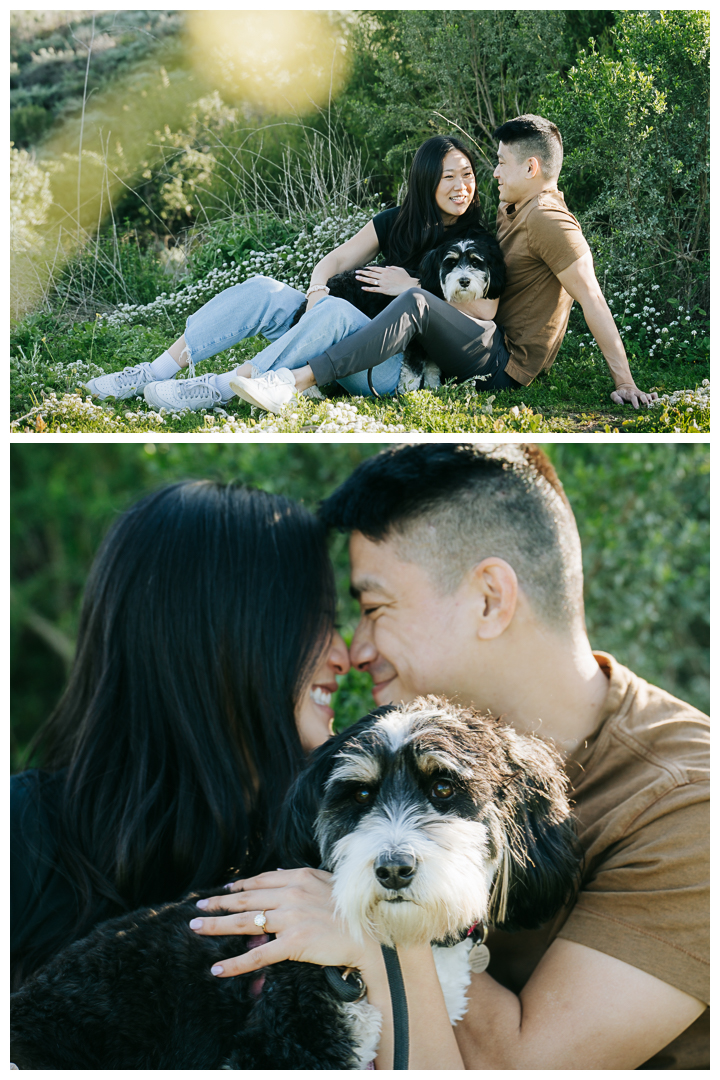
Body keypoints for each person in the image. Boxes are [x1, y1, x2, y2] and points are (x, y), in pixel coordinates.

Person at [194, 444, 708, 1070]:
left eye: (374, 608)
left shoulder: (689, 804)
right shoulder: (382, 767)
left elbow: (519, 1068)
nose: (357, 650)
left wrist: (371, 932)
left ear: (490, 598)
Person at [10, 478, 462, 1071]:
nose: (346, 653)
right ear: (225, 633)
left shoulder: (329, 844)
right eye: (318, 621)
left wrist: (378, 950)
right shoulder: (21, 840)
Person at [238, 116, 658, 413]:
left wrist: (625, 382)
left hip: (502, 361)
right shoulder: (515, 210)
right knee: (407, 299)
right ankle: (288, 372)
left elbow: (592, 297)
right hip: (477, 336)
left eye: (500, 163)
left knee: (416, 301)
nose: (492, 173)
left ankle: (296, 381)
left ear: (531, 167)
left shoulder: (550, 221)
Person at [83, 135, 507, 414]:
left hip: (390, 365)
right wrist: (317, 290)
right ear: (425, 182)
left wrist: (411, 287)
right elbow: (334, 261)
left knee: (338, 314)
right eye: (448, 176)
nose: (461, 186)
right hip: (330, 328)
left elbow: (487, 309)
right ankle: (153, 371)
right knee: (264, 289)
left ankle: (220, 388)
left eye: (467, 175)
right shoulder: (396, 221)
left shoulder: (475, 240)